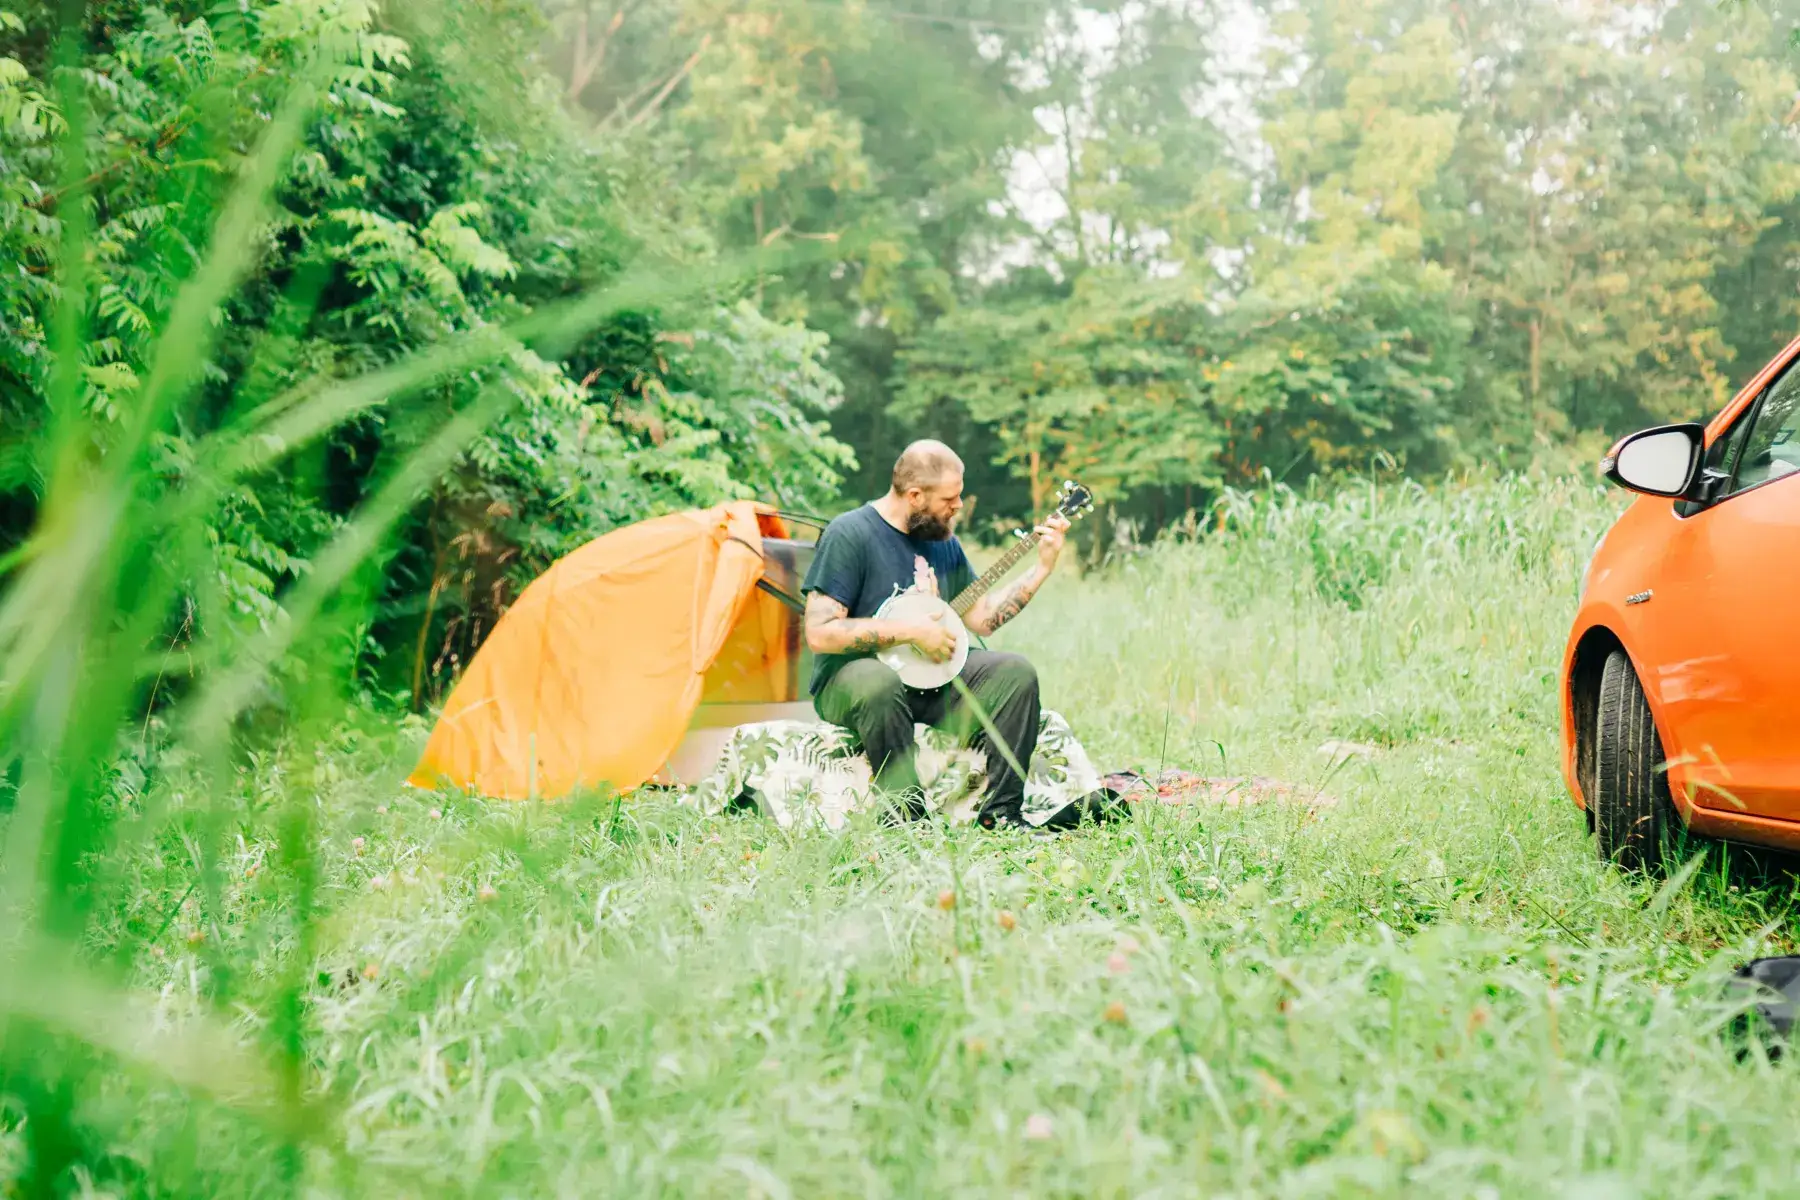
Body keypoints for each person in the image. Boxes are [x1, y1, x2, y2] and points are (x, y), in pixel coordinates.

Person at [800, 440, 1070, 829]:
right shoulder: (850, 533)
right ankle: (905, 818)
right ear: (914, 495)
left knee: (1015, 671)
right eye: (949, 498)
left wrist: (1042, 568)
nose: (958, 505)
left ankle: (1002, 814)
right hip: (853, 681)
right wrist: (911, 632)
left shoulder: (941, 540)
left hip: (929, 680)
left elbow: (983, 619)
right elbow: (820, 633)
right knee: (879, 682)